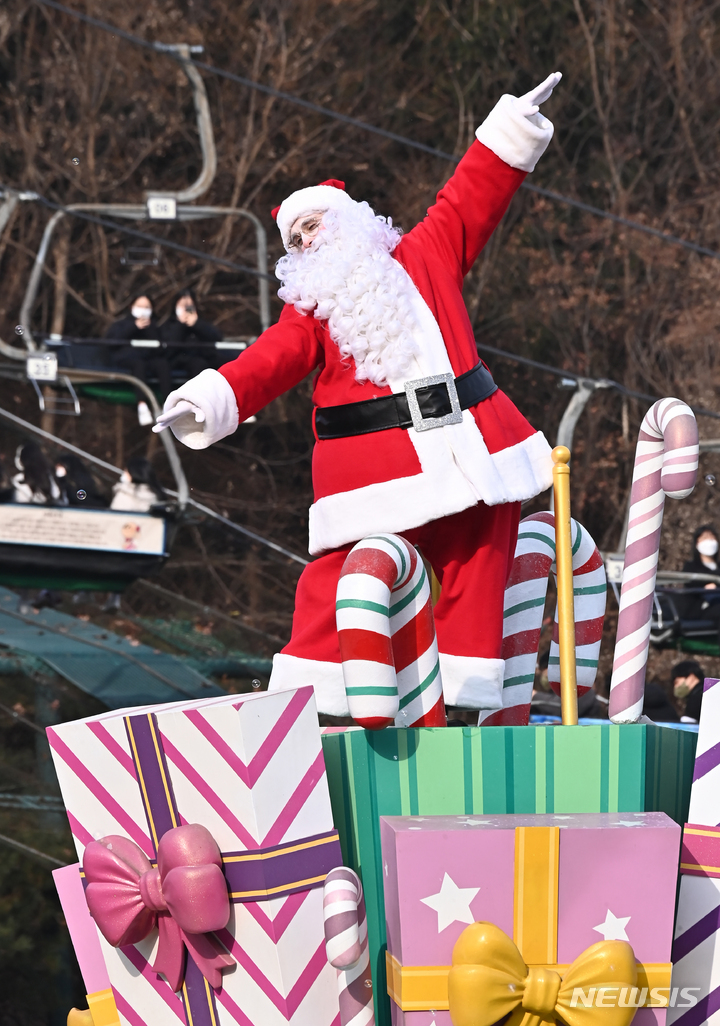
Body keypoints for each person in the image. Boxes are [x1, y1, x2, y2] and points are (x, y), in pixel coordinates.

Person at [155, 72, 562, 718]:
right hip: (375, 468)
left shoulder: (426, 254)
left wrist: (509, 126)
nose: (308, 241)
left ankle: (462, 694)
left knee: (480, 550)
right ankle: (312, 698)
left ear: (347, 218)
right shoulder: (310, 312)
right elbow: (270, 359)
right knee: (343, 575)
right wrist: (211, 397)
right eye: (296, 239)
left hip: (470, 445)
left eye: (313, 224)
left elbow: (470, 197)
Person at [107, 294, 170, 412]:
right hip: (127, 361)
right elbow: (112, 343)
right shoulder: (121, 324)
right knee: (138, 364)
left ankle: (168, 404)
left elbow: (160, 349)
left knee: (162, 364)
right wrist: (134, 327)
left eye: (147, 307)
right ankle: (142, 405)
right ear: (132, 306)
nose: (143, 310)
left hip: (148, 361)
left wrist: (150, 329)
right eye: (140, 306)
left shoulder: (155, 326)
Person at [160, 289, 223, 382]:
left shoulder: (201, 322)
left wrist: (196, 324)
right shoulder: (168, 324)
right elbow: (169, 347)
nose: (185, 309)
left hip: (203, 357)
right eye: (182, 305)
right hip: (179, 360)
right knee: (198, 364)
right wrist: (181, 325)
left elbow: (217, 337)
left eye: (189, 306)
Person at [671, 659, 705, 724]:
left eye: (677, 682)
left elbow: (689, 725)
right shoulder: (707, 691)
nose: (676, 687)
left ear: (691, 677)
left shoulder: (696, 699)